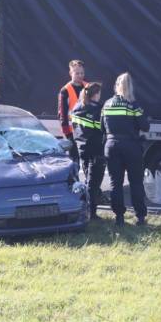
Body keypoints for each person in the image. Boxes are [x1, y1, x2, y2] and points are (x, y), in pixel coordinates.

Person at [103, 72, 150, 226]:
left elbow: (101, 126)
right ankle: (140, 217)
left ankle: (119, 218)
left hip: (111, 145)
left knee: (115, 183)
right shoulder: (133, 105)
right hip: (131, 146)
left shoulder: (107, 104)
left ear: (116, 86)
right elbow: (145, 126)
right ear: (131, 87)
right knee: (136, 182)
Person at [70, 82, 106, 219]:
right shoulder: (97, 110)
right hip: (96, 149)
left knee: (88, 180)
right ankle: (92, 213)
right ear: (96, 94)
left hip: (82, 149)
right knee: (94, 183)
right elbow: (103, 129)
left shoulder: (77, 107)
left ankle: (86, 210)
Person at [57, 60, 88, 164]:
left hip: (87, 130)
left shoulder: (89, 87)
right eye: (77, 73)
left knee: (88, 160)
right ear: (71, 73)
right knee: (74, 160)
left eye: (82, 73)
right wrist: (67, 132)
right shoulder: (65, 90)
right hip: (72, 132)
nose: (80, 75)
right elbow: (62, 113)